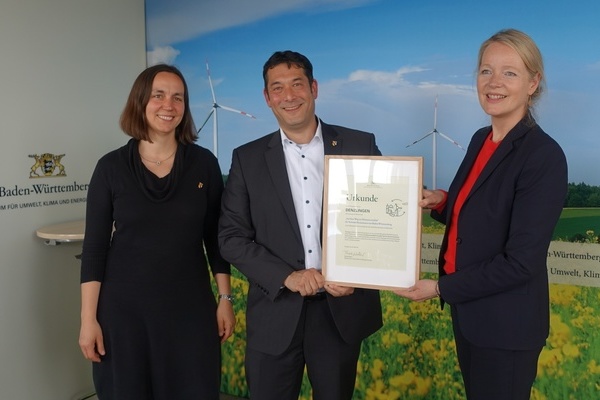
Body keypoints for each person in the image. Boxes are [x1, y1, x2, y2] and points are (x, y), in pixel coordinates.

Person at [395, 29, 568, 399]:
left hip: (507, 327)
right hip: (471, 316)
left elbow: (522, 262)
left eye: (510, 72)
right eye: (485, 71)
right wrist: (440, 201)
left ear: (533, 82)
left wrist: (440, 288)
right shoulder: (480, 139)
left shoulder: (543, 156)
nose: (493, 83)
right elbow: (477, 212)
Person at [218, 50, 383, 400]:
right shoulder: (246, 159)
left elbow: (382, 222)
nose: (288, 96)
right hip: (275, 313)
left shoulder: (359, 145)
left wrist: (357, 273)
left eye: (297, 85)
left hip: (339, 312)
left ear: (314, 88)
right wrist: (287, 276)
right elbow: (231, 238)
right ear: (267, 98)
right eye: (277, 88)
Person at [78, 64, 235, 399]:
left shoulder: (204, 163)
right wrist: (88, 320)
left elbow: (215, 239)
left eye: (178, 97)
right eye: (159, 95)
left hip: (190, 312)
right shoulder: (110, 168)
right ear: (140, 102)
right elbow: (94, 249)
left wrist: (225, 299)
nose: (169, 105)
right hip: (123, 316)